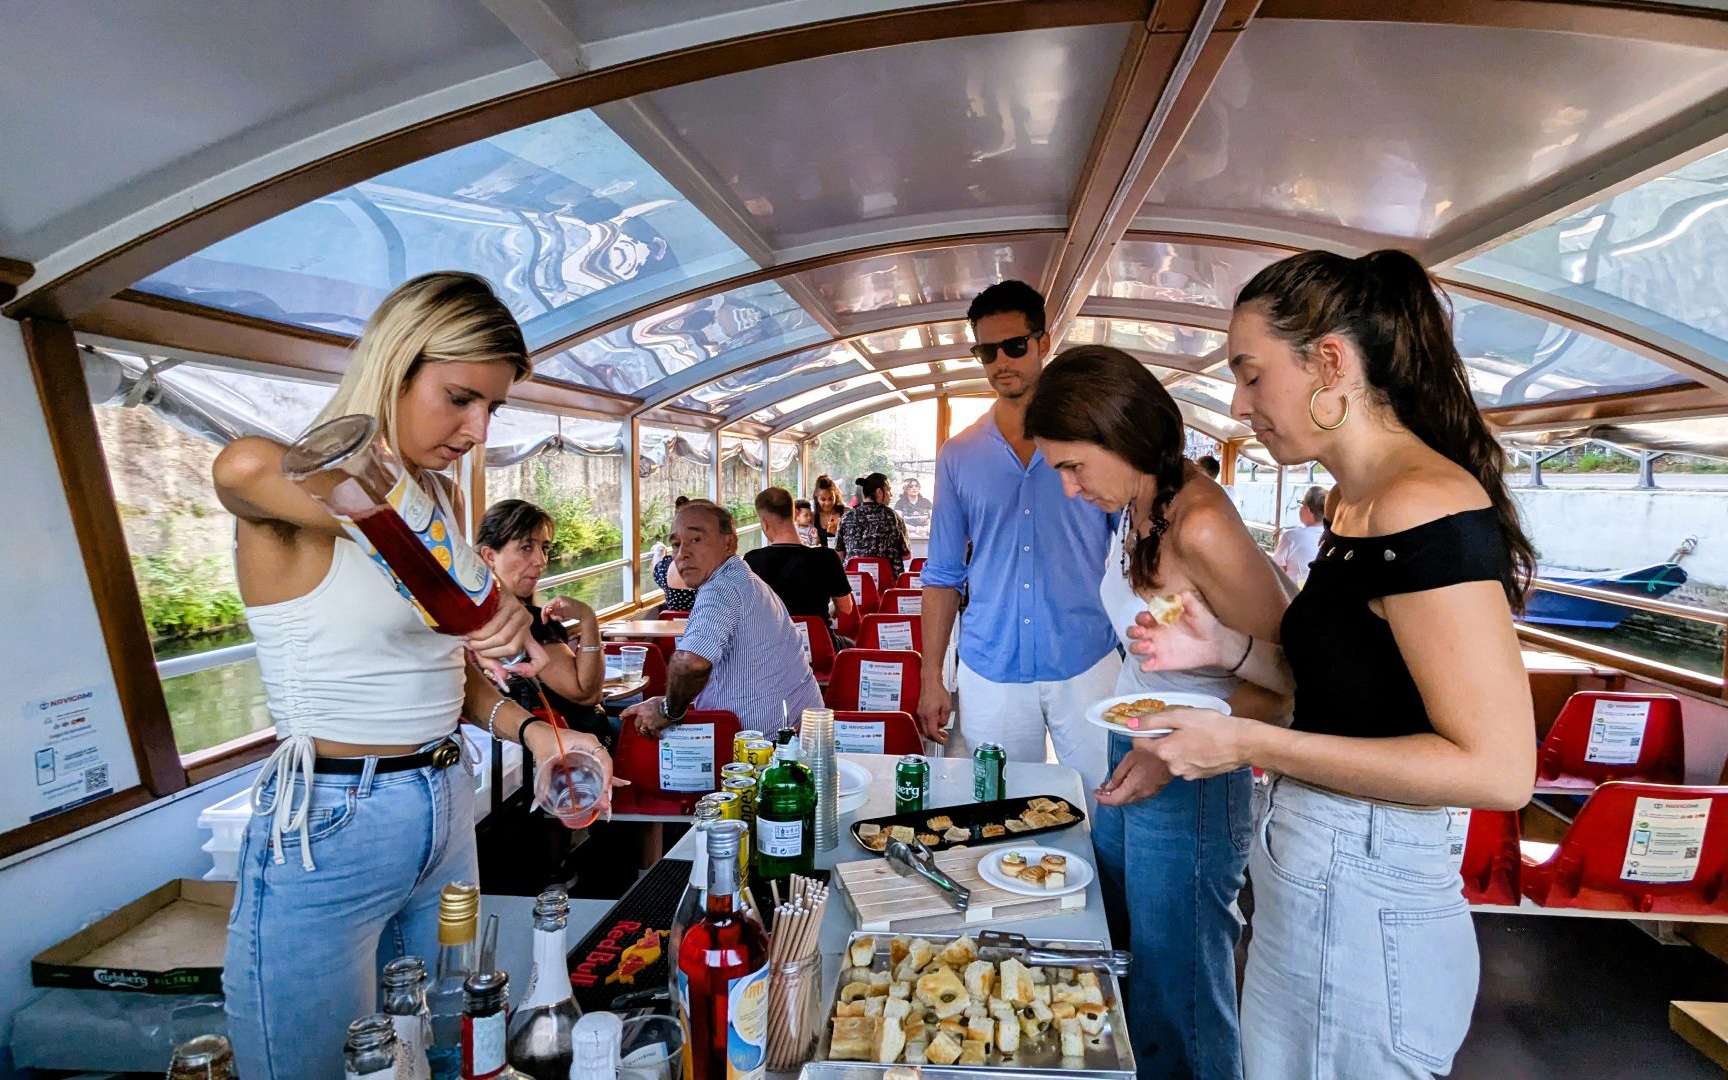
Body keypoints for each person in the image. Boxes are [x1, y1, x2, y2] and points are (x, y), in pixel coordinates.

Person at [1129, 249, 1535, 1079]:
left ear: (1330, 363)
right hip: (1319, 871)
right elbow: (1355, 690)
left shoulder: (1424, 504)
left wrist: (1247, 744)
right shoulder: (1356, 505)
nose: (1240, 407)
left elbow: (1498, 770)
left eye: (1250, 375)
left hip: (1369, 893)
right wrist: (1227, 651)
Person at [211, 272, 614, 1078]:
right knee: (316, 1065)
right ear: (395, 363)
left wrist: (534, 732)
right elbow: (238, 469)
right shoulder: (302, 495)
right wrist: (418, 540)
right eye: (461, 397)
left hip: (440, 804)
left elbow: (442, 675)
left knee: (452, 1044)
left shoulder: (434, 500)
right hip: (331, 821)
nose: (477, 428)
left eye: (493, 408)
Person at [1024, 345, 1290, 1080]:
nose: (1071, 489)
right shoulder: (1141, 501)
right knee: (1128, 946)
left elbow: (1287, 679)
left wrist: (1164, 751)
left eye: (1075, 466)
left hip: (1198, 770)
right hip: (1141, 743)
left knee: (1182, 989)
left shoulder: (1201, 523)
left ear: (1123, 432)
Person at [918, 280, 1120, 791]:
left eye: (1014, 346)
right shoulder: (958, 455)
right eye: (987, 351)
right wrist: (931, 679)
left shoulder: (1095, 439)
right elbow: (942, 574)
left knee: (1108, 802)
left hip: (1088, 657)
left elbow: (1137, 548)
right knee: (998, 810)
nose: (1001, 362)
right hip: (991, 665)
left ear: (1044, 343)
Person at [623, 500, 824, 736]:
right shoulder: (743, 580)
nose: (682, 554)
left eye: (695, 540)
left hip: (767, 748)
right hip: (799, 731)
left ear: (729, 542)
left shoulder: (722, 588)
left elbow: (691, 663)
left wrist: (668, 711)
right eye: (676, 545)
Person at [475, 498, 611, 749]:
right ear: (490, 556)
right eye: (526, 547)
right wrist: (588, 619)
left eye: (544, 548)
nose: (542, 561)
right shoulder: (528, 622)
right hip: (571, 746)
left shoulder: (475, 617)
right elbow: (587, 693)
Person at [744, 487, 855, 647]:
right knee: (850, 646)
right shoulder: (827, 557)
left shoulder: (751, 560)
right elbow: (845, 608)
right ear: (795, 514)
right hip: (820, 646)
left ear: (765, 524)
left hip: (773, 648)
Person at [834, 472, 912, 580]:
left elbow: (840, 554)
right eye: (888, 490)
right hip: (887, 587)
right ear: (879, 492)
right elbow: (906, 554)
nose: (891, 494)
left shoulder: (846, 517)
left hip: (854, 585)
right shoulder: (893, 517)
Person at [1272, 485, 1328, 587]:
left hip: (1294, 596)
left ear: (1309, 509)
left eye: (1302, 504)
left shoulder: (1291, 537)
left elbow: (1276, 571)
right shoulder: (1333, 537)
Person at [653, 494, 697, 612]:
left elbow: (655, 568)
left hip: (673, 627)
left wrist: (659, 551)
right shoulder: (711, 569)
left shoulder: (666, 567)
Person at [812, 475, 845, 547]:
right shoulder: (812, 517)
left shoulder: (845, 512)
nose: (827, 503)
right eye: (823, 499)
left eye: (831, 498)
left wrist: (838, 532)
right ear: (816, 497)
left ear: (836, 495)